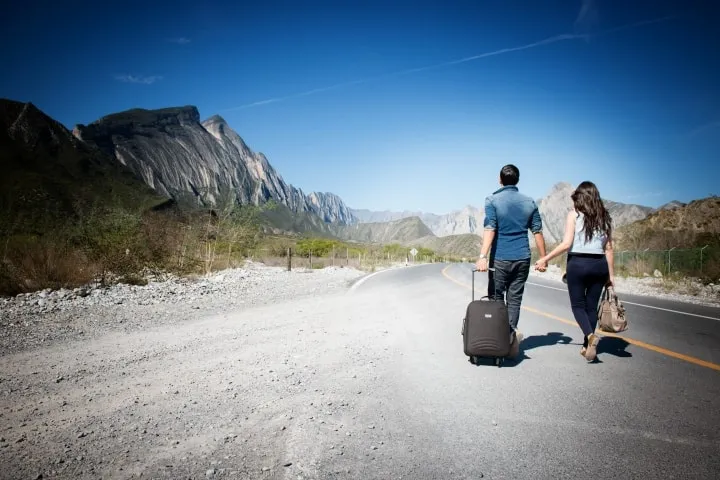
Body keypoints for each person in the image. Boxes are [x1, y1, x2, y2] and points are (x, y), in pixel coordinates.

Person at [534, 181, 615, 362]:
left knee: (578, 306)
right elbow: (609, 249)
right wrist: (611, 276)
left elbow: (565, 244)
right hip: (600, 265)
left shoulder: (574, 215)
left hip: (578, 264)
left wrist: (545, 259)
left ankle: (590, 336)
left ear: (581, 198)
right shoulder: (605, 217)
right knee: (591, 307)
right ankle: (588, 347)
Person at [475, 164, 547, 358]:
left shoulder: (492, 200)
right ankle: (509, 337)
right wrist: (543, 258)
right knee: (514, 300)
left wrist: (482, 256)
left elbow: (490, 228)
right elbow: (538, 231)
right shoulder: (530, 202)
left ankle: (497, 341)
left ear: (500, 179)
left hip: (499, 258)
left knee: (496, 299)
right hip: (523, 257)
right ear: (517, 180)